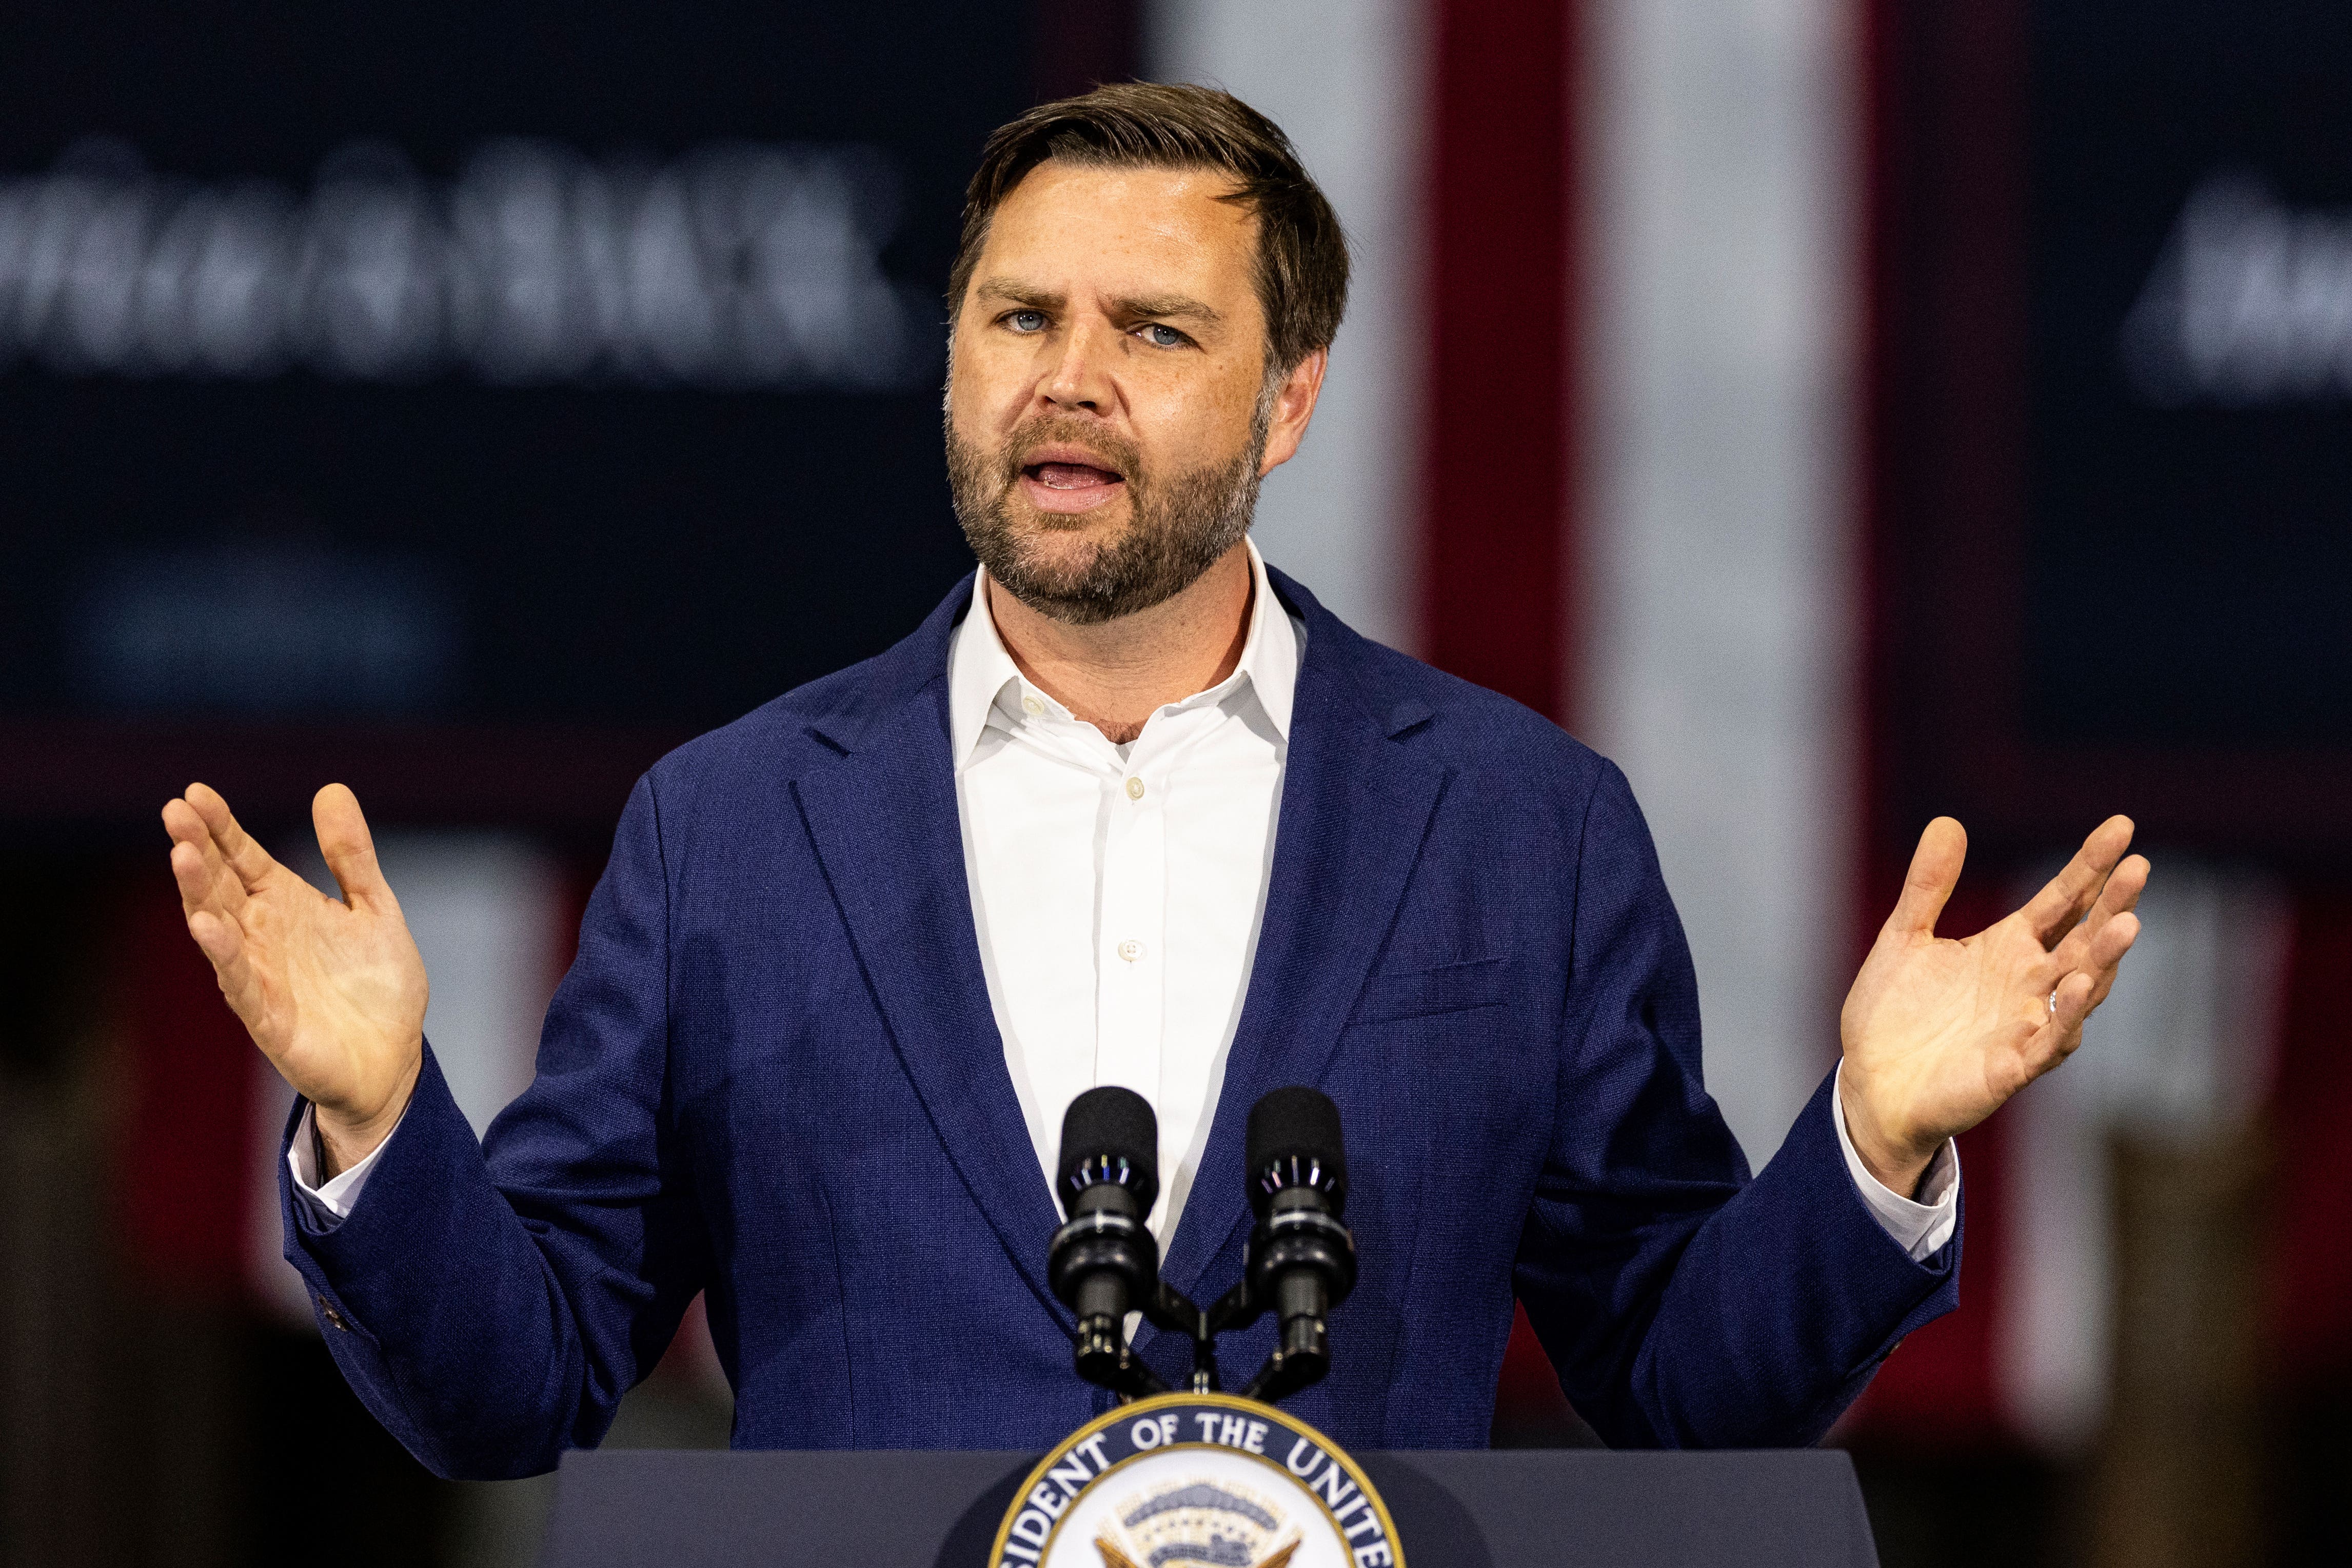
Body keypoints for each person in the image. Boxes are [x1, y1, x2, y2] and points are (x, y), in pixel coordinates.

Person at [161, 84, 2145, 1478]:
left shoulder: (1519, 828)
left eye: (1153, 329)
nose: (1066, 376)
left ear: (1287, 396)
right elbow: (525, 1389)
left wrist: (1870, 1141)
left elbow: (1686, 1387)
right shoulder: (732, 829)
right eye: (1017, 317)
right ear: (950, 364)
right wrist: (378, 1116)